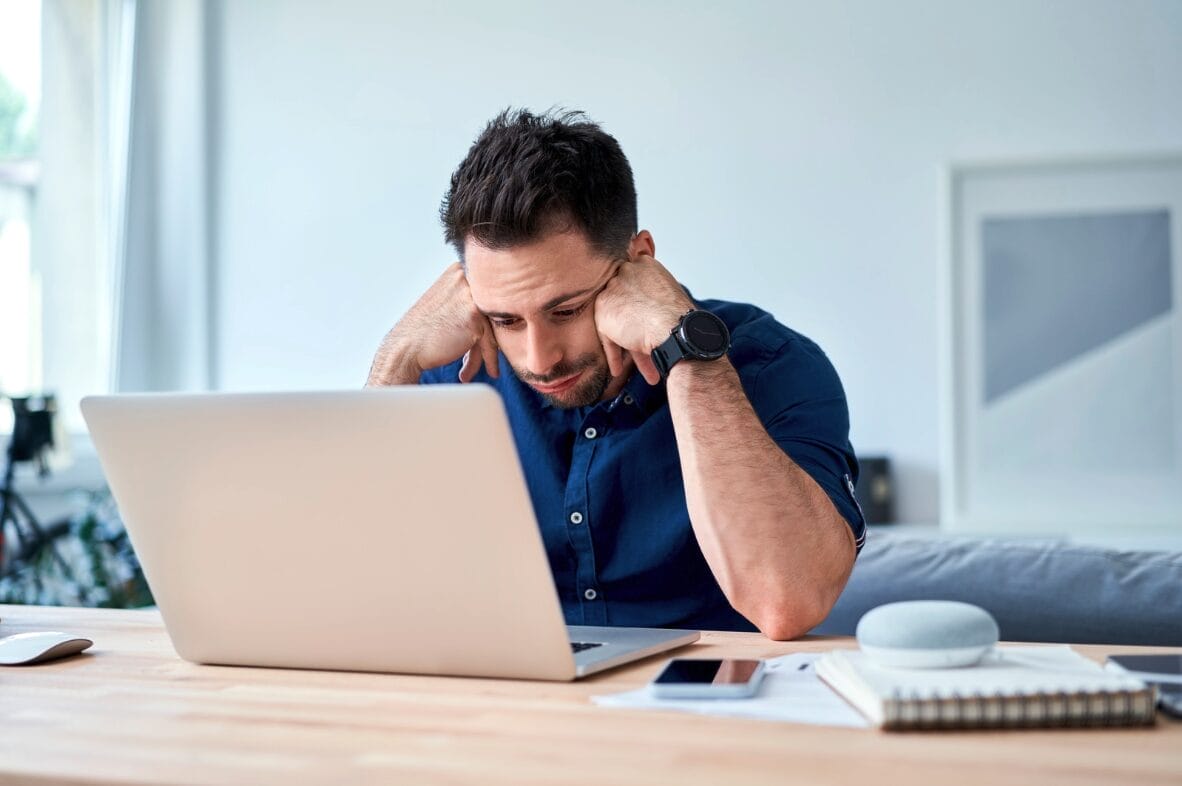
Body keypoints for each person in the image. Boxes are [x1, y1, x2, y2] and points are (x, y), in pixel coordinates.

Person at [367, 109, 865, 640]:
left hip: (703, 709)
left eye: (566, 311)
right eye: (505, 319)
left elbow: (787, 601)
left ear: (639, 259)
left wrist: (688, 350)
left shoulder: (772, 366)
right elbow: (359, 597)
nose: (539, 359)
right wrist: (394, 360)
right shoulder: (451, 378)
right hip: (509, 704)